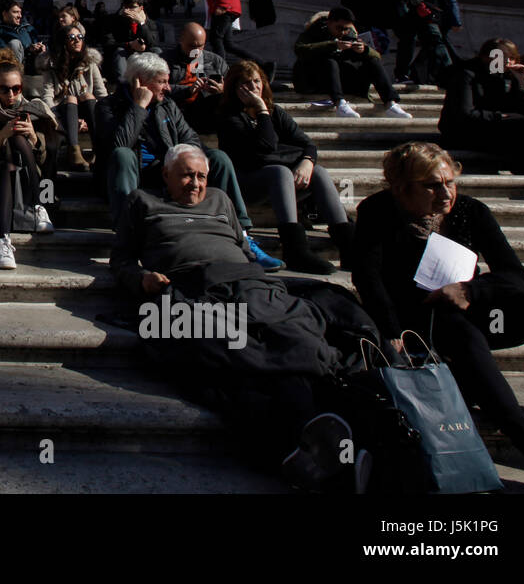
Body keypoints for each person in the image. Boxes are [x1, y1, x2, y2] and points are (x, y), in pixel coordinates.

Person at [112, 144, 377, 492]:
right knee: (232, 349)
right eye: (187, 175)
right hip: (192, 286)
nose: (195, 183)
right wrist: (141, 279)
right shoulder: (142, 202)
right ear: (166, 175)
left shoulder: (221, 199)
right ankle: (316, 442)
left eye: (201, 176)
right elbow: (121, 261)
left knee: (292, 333)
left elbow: (242, 245)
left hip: (247, 282)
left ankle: (317, 445)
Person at [349, 141, 524, 484]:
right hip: (419, 324)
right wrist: (391, 329)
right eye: (431, 185)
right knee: (460, 332)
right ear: (402, 189)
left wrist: (471, 290)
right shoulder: (377, 212)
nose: (445, 193)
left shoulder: (471, 211)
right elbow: (368, 278)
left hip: (472, 308)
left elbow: (516, 276)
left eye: (450, 182)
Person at [93, 52, 284, 270]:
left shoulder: (168, 106)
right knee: (122, 155)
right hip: (130, 176)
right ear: (141, 81)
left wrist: (177, 161)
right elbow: (119, 144)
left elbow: (192, 140)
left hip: (169, 174)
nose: (168, 88)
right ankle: (127, 236)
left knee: (218, 158)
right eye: (162, 82)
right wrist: (139, 107)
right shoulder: (107, 106)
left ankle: (242, 234)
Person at [217, 61, 353, 274]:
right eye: (246, 83)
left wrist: (307, 161)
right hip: (247, 184)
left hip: (281, 182)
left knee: (318, 171)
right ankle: (295, 249)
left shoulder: (275, 112)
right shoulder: (230, 117)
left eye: (257, 81)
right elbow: (264, 148)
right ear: (235, 87)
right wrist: (261, 110)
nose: (254, 87)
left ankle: (348, 246)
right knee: (279, 171)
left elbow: (307, 144)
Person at [0, 50, 58, 269]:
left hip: (30, 177)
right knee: (7, 163)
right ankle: (3, 240)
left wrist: (33, 136)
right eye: (4, 89)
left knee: (20, 139)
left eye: (16, 88)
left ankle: (38, 206)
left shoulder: (35, 110)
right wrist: (1, 135)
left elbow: (47, 158)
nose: (11, 94)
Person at [439, 38, 524, 173]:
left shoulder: (509, 77)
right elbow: (464, 114)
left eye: (511, 58)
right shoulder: (466, 75)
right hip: (467, 131)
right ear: (486, 58)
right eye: (501, 58)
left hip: (495, 128)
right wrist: (501, 116)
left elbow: (523, 112)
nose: (507, 62)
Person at [293, 7, 412, 119]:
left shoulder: (349, 34)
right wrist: (333, 45)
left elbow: (377, 56)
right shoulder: (315, 31)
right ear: (329, 23)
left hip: (341, 80)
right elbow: (300, 49)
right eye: (339, 28)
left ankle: (390, 103)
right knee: (330, 61)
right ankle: (339, 103)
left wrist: (363, 50)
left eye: (346, 29)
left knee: (372, 60)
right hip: (314, 80)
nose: (343, 32)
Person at [41, 18, 106, 171]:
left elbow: (102, 94)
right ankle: (74, 151)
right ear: (63, 42)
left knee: (89, 96)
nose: (77, 41)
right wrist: (60, 121)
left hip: (88, 111)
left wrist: (94, 118)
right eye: (71, 37)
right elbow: (47, 98)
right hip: (62, 113)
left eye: (80, 37)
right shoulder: (52, 67)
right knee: (70, 98)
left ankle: (99, 150)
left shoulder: (90, 63)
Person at [163, 22, 227, 135]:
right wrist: (187, 90)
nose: (196, 51)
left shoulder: (215, 61)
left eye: (200, 46)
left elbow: (233, 84)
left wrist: (223, 89)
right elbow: (159, 87)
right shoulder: (165, 61)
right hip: (178, 110)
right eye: (192, 46)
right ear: (181, 40)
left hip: (208, 110)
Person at [0, 1, 45, 71]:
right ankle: (16, 73)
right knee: (14, 43)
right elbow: (3, 50)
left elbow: (37, 42)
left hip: (32, 65)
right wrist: (28, 48)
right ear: (4, 14)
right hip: (11, 68)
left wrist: (40, 47)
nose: (19, 16)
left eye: (20, 12)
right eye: (15, 12)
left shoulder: (28, 28)